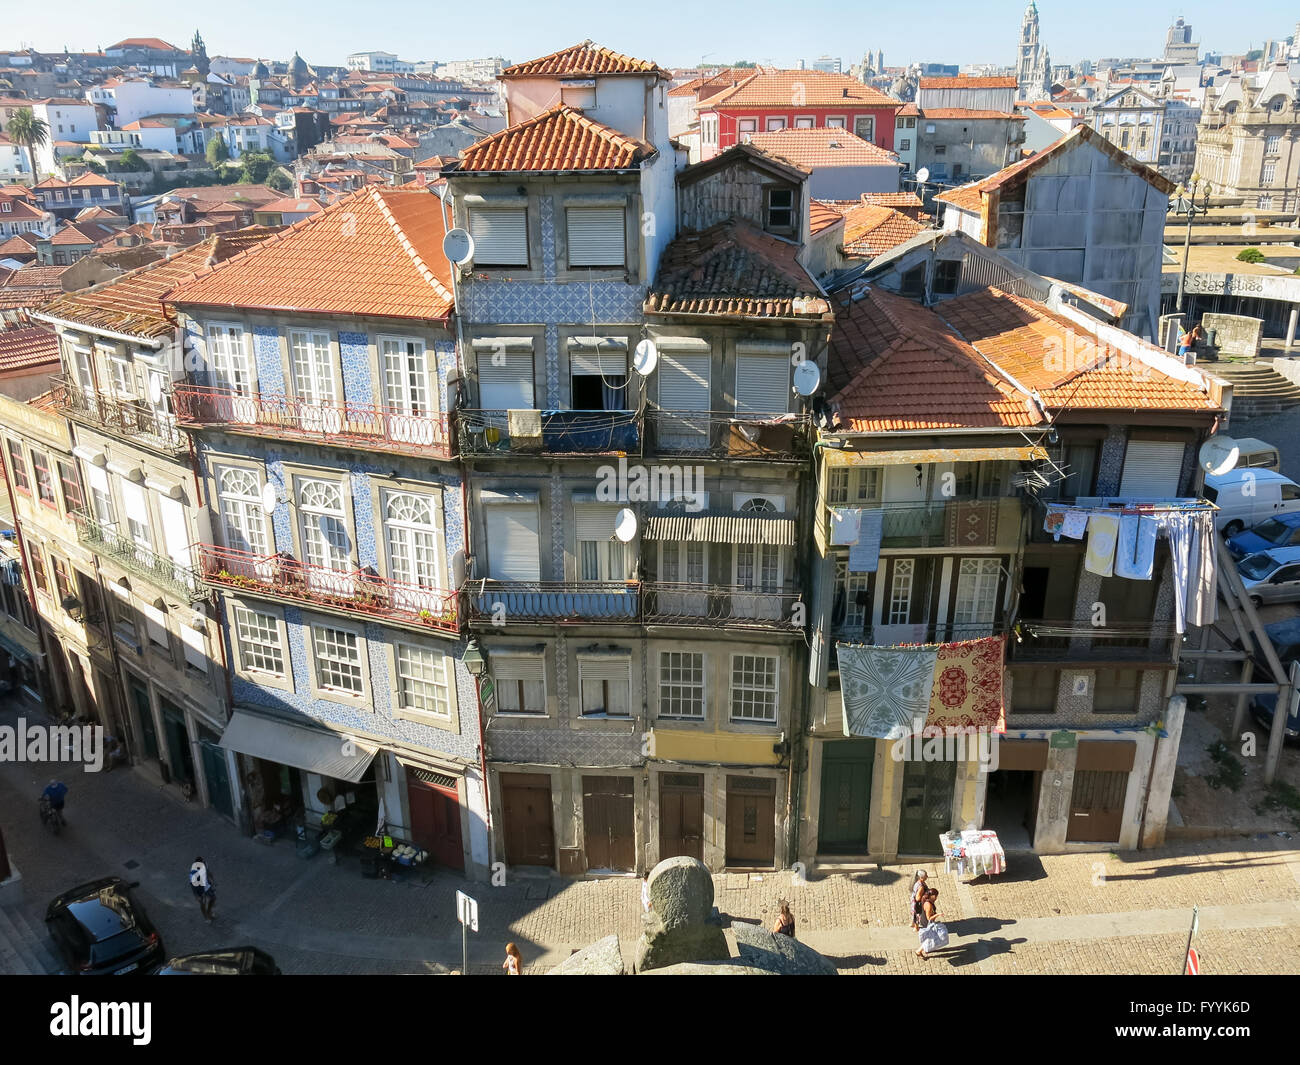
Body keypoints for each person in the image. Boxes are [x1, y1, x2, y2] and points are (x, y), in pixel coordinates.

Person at [915, 887, 949, 959]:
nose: (936, 898)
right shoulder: (929, 905)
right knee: (932, 938)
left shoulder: (925, 898)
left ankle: (923, 949)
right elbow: (929, 918)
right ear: (932, 896)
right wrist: (938, 914)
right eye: (936, 896)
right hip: (926, 924)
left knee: (929, 937)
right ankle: (919, 951)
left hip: (923, 922)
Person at [189, 857, 215, 922]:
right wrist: (196, 896)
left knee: (213, 898)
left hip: (206, 886)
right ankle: (206, 916)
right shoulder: (193, 872)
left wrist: (212, 879)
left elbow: (208, 871)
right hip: (199, 888)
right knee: (203, 903)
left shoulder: (205, 864)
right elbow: (192, 885)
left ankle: (209, 911)